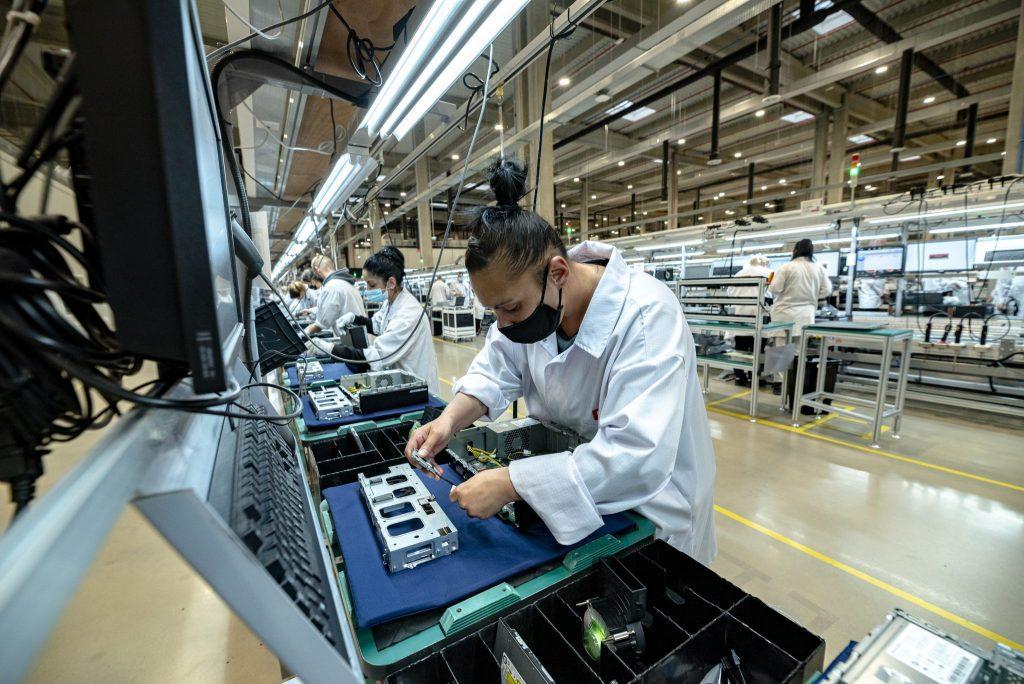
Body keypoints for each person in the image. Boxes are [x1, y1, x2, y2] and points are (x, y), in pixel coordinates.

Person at [404, 158, 717, 564]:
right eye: (494, 312)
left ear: (557, 272)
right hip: (568, 499)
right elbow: (495, 370)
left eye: (511, 309)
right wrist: (449, 420)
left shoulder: (644, 317)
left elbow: (634, 456)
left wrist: (511, 482)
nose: (503, 324)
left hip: (652, 515)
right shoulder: (534, 307)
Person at [335, 246, 441, 396]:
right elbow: (377, 325)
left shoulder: (408, 314)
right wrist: (355, 318)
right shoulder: (391, 302)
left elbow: (374, 356)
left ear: (391, 282)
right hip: (401, 383)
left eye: (371, 284)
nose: (367, 290)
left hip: (419, 390)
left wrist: (330, 349)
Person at [768, 238, 832, 337]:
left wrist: (769, 284)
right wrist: (812, 295)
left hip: (785, 314)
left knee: (782, 349)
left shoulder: (786, 267)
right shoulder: (819, 268)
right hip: (806, 315)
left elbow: (775, 289)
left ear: (795, 251)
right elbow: (827, 290)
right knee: (800, 348)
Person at [728, 255, 772, 386]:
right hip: (760, 317)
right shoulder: (768, 272)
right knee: (758, 350)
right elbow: (773, 293)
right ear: (765, 263)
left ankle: (739, 377)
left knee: (740, 349)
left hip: (740, 315)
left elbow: (729, 293)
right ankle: (754, 378)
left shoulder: (739, 274)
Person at [306, 254, 365, 336]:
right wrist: (309, 310)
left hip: (350, 338)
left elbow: (322, 323)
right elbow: (333, 308)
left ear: (317, 269)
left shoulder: (331, 287)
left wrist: (304, 333)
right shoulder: (346, 282)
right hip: (360, 334)